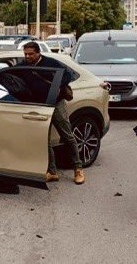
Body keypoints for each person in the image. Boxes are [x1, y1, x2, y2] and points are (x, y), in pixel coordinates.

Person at [18, 41, 84, 184]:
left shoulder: (50, 62)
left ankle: (78, 169)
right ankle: (52, 171)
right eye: (26, 54)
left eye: (31, 54)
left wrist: (58, 86)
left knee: (68, 136)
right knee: (45, 140)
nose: (28, 57)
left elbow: (68, 74)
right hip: (39, 107)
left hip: (56, 104)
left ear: (38, 53)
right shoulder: (23, 66)